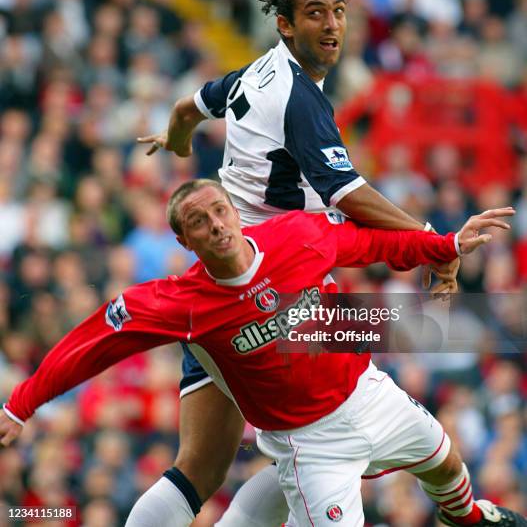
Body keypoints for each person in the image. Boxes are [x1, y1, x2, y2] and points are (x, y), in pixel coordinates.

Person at [135, 0, 461, 526]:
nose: (333, 25)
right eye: (316, 14)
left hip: (221, 289)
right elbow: (350, 194)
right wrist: (433, 241)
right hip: (268, 290)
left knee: (205, 466)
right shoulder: (299, 99)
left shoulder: (253, 72)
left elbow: (188, 106)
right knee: (335, 432)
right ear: (285, 24)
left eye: (339, 11)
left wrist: (176, 138)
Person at [1, 179, 522, 527]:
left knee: (445, 461)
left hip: (368, 391)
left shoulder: (298, 235)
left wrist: (447, 245)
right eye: (200, 222)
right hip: (307, 443)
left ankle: (471, 521)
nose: (217, 226)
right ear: (183, 240)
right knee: (201, 468)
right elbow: (89, 345)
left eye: (220, 212)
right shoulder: (179, 302)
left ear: (235, 211)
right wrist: (20, 404)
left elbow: (377, 245)